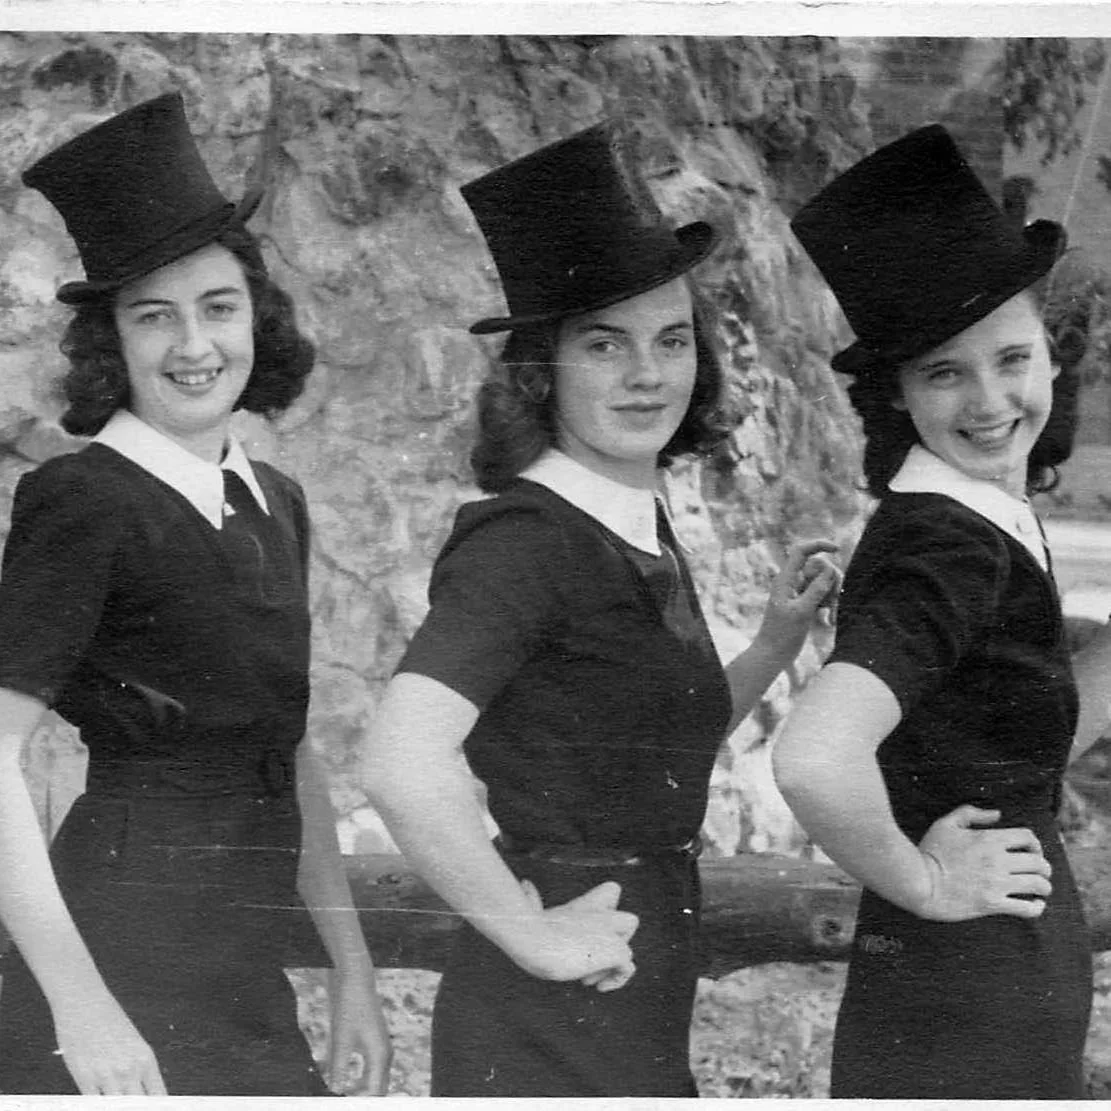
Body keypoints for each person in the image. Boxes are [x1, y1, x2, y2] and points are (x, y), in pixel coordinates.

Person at [361, 119, 840, 1098]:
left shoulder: (630, 522)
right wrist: (532, 935)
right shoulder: (525, 540)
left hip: (638, 968)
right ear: (541, 366)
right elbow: (399, 763)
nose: (647, 374)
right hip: (551, 1000)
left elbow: (649, 743)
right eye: (604, 343)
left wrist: (772, 643)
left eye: (671, 339)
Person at [0, 92, 391, 1096]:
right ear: (112, 342)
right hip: (114, 962)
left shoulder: (275, 501)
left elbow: (286, 747)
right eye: (153, 316)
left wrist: (350, 969)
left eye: (218, 308)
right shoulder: (83, 499)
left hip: (240, 966)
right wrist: (80, 1007)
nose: (193, 345)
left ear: (256, 316)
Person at [774, 123, 1111, 1098]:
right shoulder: (949, 545)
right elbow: (812, 757)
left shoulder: (978, 510)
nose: (989, 400)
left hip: (987, 965)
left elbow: (1022, 740)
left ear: (1052, 355)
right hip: (964, 982)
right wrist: (922, 881)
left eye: (1011, 358)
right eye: (943, 372)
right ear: (898, 393)